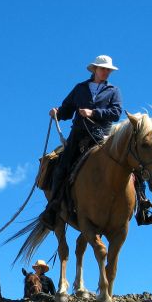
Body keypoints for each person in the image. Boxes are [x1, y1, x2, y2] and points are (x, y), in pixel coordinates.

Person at [42, 55, 123, 227]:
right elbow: (67, 109)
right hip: (79, 135)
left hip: (102, 136)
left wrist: (93, 113)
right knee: (61, 167)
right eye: (103, 69)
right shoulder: (80, 88)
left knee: (127, 161)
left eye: (108, 70)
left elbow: (116, 113)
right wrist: (58, 112)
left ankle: (142, 204)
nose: (106, 72)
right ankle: (53, 207)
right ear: (95, 69)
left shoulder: (113, 90)